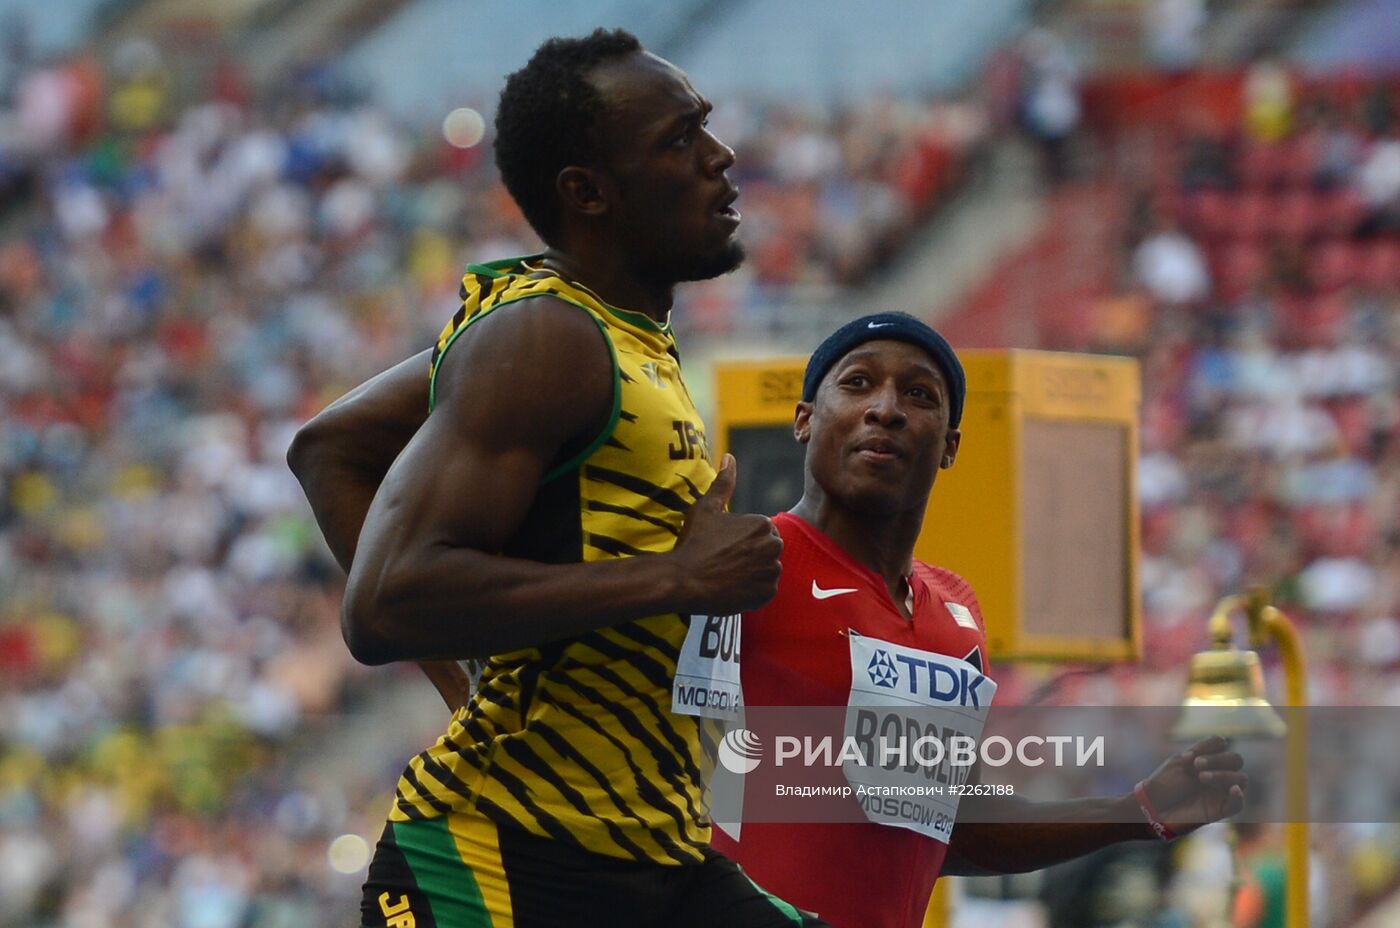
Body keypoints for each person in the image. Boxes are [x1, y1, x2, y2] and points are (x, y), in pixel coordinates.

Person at [290, 29, 825, 928]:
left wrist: (472, 685)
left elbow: (330, 448)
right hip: (498, 858)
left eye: (707, 128)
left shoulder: (597, 333)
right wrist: (677, 579)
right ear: (588, 193)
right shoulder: (545, 338)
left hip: (649, 851)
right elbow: (384, 602)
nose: (721, 156)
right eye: (680, 139)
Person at [704, 312, 1248, 928]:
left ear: (951, 445)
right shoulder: (744, 561)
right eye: (857, 383)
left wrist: (1139, 809)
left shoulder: (953, 615)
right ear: (804, 420)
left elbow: (955, 825)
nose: (886, 408)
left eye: (919, 395)